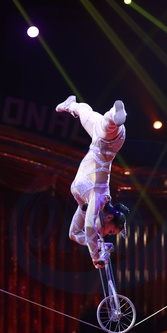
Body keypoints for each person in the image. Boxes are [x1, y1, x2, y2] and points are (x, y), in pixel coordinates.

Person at [55, 95, 130, 269]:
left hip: (98, 140)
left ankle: (70, 105)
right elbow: (89, 227)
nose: (104, 234)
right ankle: (114, 114)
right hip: (109, 142)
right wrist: (95, 256)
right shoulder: (99, 198)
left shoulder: (86, 203)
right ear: (109, 217)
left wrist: (100, 245)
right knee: (107, 126)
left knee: (85, 113)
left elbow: (74, 233)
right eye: (110, 231)